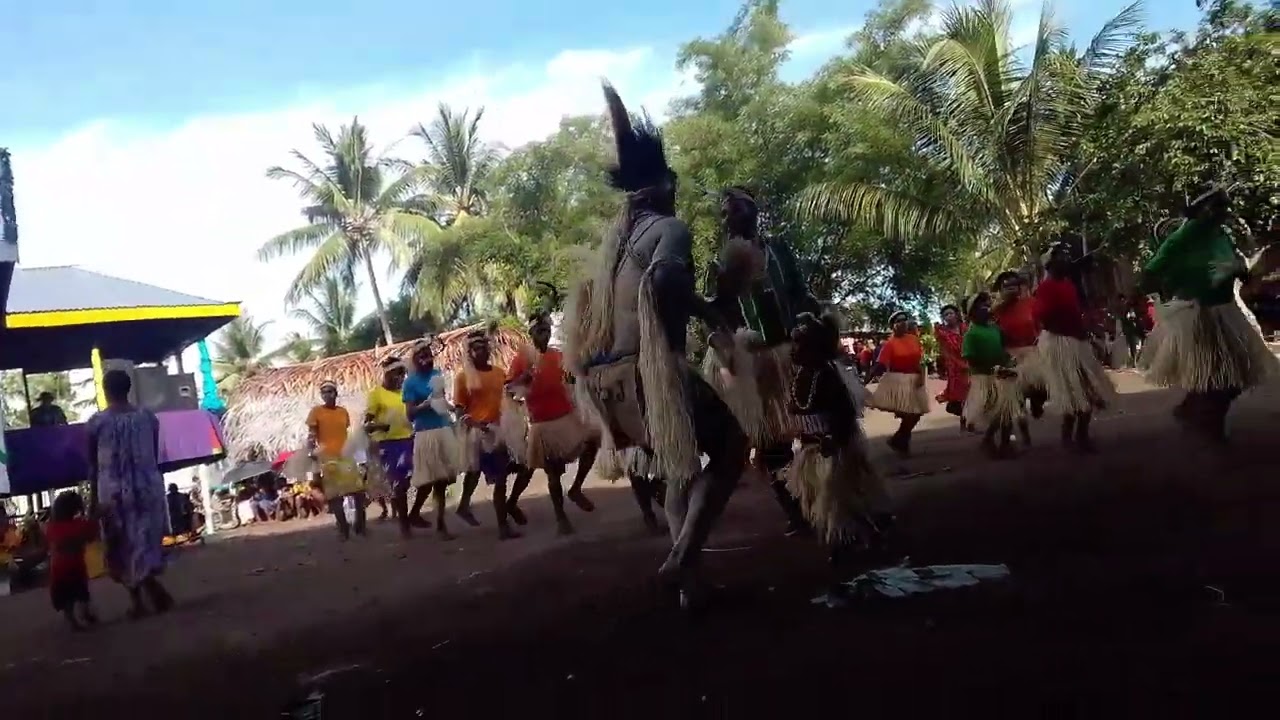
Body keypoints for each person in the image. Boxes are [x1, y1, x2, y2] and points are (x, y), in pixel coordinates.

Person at [563, 82, 747, 610]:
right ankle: (682, 558)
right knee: (732, 447)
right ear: (663, 183)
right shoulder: (669, 228)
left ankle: (690, 589)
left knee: (680, 467)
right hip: (649, 374)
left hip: (608, 381)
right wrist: (715, 310)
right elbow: (667, 283)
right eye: (675, 182)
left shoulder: (616, 242)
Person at [703, 186, 817, 537]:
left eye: (735, 208)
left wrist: (810, 323)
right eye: (724, 212)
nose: (729, 216)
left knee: (815, 428)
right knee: (772, 442)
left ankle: (825, 497)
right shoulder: (719, 265)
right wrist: (729, 346)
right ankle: (795, 509)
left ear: (754, 210)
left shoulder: (779, 250)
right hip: (756, 364)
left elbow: (800, 293)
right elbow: (712, 314)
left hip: (793, 351)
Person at [1138, 187, 1279, 442]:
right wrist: (1170, 289)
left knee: (1237, 376)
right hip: (1199, 314)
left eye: (1225, 207)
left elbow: (1237, 267)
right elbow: (1151, 274)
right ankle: (1210, 429)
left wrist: (1241, 271)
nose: (1224, 212)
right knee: (1219, 380)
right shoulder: (1182, 238)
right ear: (1202, 210)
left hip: (1227, 311)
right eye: (1218, 207)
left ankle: (1192, 411)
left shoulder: (1222, 235)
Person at [786, 312, 892, 595]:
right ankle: (861, 534)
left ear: (816, 350)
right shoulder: (801, 376)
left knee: (837, 500)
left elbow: (844, 417)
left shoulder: (828, 377)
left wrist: (833, 441)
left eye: (800, 345)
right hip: (810, 450)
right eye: (793, 344)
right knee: (823, 501)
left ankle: (845, 543)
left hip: (834, 450)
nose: (793, 350)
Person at [87, 369, 173, 618]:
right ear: (128, 388)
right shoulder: (147, 417)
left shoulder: (96, 423)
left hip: (112, 493)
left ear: (105, 390)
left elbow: (92, 465)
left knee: (121, 545)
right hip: (147, 487)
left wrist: (93, 499)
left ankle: (139, 602)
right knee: (144, 542)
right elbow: (154, 453)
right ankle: (152, 591)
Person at [505, 312, 592, 535]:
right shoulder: (522, 359)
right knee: (549, 472)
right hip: (542, 424)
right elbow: (508, 390)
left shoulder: (558, 355)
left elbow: (572, 378)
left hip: (566, 418)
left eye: (547, 330)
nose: (545, 334)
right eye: (540, 331)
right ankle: (560, 518)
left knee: (593, 441)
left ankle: (576, 488)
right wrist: (521, 380)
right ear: (531, 333)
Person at [1034, 242, 1118, 451]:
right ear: (1050, 265)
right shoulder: (1046, 288)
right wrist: (1071, 332)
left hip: (1076, 341)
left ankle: (1080, 436)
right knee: (1073, 393)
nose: (1066, 260)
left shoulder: (1069, 285)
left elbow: (1075, 312)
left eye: (1066, 256)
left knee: (1089, 392)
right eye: (1060, 257)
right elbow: (1044, 319)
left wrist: (1087, 331)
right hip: (1060, 343)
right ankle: (1070, 438)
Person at [453, 328, 520, 540]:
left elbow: (510, 395)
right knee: (494, 478)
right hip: (478, 435)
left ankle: (465, 506)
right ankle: (503, 527)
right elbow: (459, 409)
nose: (481, 352)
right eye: (476, 349)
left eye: (484, 347)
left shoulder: (500, 373)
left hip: (500, 431)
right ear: (469, 352)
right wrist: (472, 423)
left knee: (487, 475)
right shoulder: (463, 378)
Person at [401, 339, 461, 540]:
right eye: (422, 356)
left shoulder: (437, 375)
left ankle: (440, 524)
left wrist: (453, 408)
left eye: (428, 355)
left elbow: (442, 400)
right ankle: (416, 513)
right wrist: (425, 405)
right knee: (429, 481)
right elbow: (410, 414)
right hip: (426, 433)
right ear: (415, 359)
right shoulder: (410, 382)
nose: (427, 359)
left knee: (443, 480)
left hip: (443, 428)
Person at [961, 293, 1026, 458]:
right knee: (997, 413)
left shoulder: (995, 329)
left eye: (986, 305)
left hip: (1001, 375)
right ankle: (988, 440)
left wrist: (1009, 361)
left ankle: (1004, 445)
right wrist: (993, 368)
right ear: (971, 313)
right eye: (980, 306)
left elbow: (1003, 347)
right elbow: (970, 358)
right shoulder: (971, 334)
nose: (985, 308)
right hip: (984, 378)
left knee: (1007, 411)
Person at [305, 380, 365, 539]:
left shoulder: (342, 412)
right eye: (324, 392)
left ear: (336, 393)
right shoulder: (316, 412)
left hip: (346, 455)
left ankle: (360, 525)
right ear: (321, 395)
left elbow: (343, 432)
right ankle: (343, 528)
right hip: (327, 457)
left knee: (358, 491)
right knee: (335, 496)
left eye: (330, 391)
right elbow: (311, 434)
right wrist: (311, 450)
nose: (327, 394)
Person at [866, 311, 931, 456]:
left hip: (914, 379)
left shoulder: (914, 339)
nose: (902, 323)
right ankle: (901, 440)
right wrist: (864, 382)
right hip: (897, 381)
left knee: (917, 413)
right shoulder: (890, 344)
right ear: (892, 327)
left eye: (904, 320)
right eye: (898, 321)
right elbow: (879, 365)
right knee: (909, 414)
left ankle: (900, 439)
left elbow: (920, 360)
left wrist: (922, 376)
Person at [992, 270, 1047, 424]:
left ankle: (1037, 404)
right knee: (1017, 395)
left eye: (1014, 285)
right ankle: (1024, 434)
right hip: (1010, 354)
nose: (1011, 289)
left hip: (1032, 350)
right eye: (1006, 286)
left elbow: (1041, 324)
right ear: (1000, 289)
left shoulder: (1031, 303)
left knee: (1042, 387)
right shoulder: (996, 310)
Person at [366, 356, 413, 531]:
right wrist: (381, 425)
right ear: (387, 374)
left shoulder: (404, 393)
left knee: (408, 481)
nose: (400, 378)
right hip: (387, 444)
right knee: (399, 484)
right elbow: (367, 425)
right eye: (396, 374)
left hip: (407, 440)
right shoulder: (376, 394)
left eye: (402, 374)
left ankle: (404, 514)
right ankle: (404, 524)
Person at [45, 490, 100, 630]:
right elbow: (92, 534)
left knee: (66, 597)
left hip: (58, 568)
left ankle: (72, 621)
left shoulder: (51, 527)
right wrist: (96, 516)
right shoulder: (79, 525)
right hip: (76, 566)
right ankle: (85, 614)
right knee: (81, 593)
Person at [933, 304, 973, 432]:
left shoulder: (965, 328)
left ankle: (968, 419)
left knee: (972, 393)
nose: (949, 316)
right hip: (955, 368)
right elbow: (945, 352)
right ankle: (965, 419)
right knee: (961, 395)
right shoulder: (943, 333)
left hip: (970, 363)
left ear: (956, 314)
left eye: (951, 313)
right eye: (946, 315)